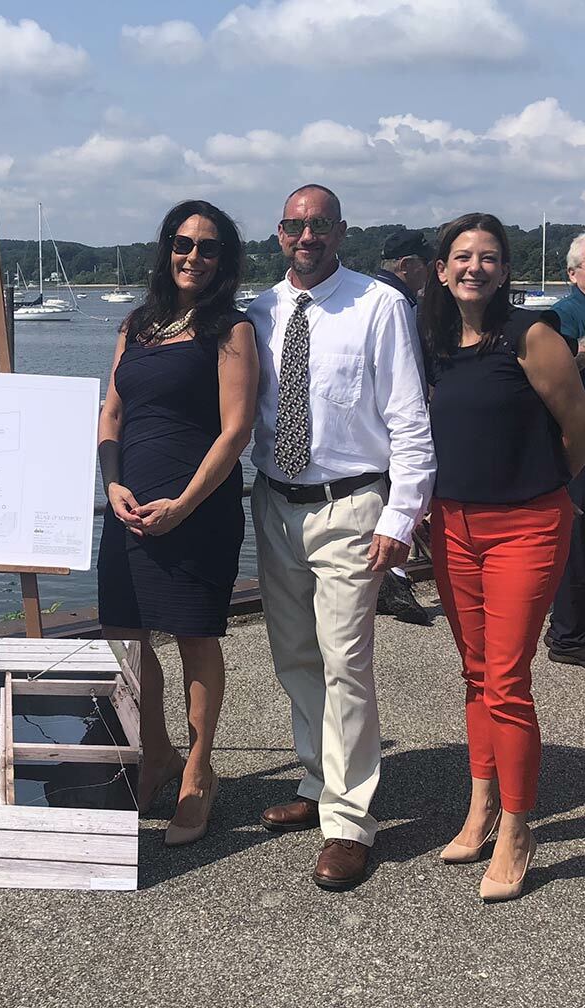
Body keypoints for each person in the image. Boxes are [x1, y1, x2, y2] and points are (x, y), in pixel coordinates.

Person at [246, 184, 435, 891]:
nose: (307, 235)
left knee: (345, 660)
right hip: (273, 502)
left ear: (340, 231)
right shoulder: (261, 312)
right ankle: (318, 775)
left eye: (319, 224)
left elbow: (411, 419)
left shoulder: (378, 304)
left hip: (350, 504)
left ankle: (351, 820)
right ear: (279, 232)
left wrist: (401, 516)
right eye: (295, 224)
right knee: (294, 653)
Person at [421, 213, 585, 902]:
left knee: (507, 677)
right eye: (461, 256)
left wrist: (557, 497)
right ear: (442, 269)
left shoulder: (531, 336)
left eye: (489, 257)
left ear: (505, 269)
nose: (474, 267)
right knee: (473, 672)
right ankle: (482, 804)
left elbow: (581, 429)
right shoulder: (436, 343)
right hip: (452, 524)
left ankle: (519, 829)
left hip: (525, 525)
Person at [97, 200, 259, 846]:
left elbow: (236, 428)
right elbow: (111, 414)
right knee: (126, 632)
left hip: (198, 507)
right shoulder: (136, 324)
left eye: (208, 247)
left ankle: (199, 769)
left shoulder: (231, 328)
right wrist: (111, 482)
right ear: (167, 249)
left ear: (224, 260)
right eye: (183, 243)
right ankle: (157, 749)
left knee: (194, 636)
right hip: (128, 506)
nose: (193, 255)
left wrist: (184, 504)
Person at [373, 229, 437, 626]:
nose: (431, 274)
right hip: (389, 433)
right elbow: (410, 377)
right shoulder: (398, 302)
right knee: (395, 496)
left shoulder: (369, 295)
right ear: (407, 266)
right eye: (428, 266)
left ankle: (393, 579)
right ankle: (394, 579)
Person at [546, 230, 585, 669]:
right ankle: (568, 635)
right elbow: (562, 368)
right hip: (583, 449)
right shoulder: (564, 316)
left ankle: (576, 627)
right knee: (582, 545)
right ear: (573, 273)